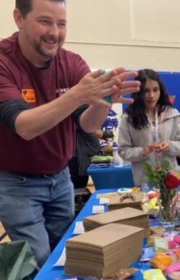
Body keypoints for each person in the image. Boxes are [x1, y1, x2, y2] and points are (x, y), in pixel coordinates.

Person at [0, 0, 140, 267]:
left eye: (61, 23)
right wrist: (77, 95)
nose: (55, 32)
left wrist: (104, 102)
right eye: (44, 21)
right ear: (19, 18)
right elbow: (24, 127)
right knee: (39, 261)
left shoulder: (72, 63)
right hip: (16, 184)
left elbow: (87, 125)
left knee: (68, 255)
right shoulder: (4, 61)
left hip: (60, 177)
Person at [118, 69, 180, 186]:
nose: (151, 95)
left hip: (169, 179)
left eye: (155, 90)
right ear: (138, 92)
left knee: (170, 203)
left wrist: (169, 146)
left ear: (161, 90)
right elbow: (123, 150)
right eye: (146, 91)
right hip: (144, 180)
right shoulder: (129, 117)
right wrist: (142, 151)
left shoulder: (172, 114)